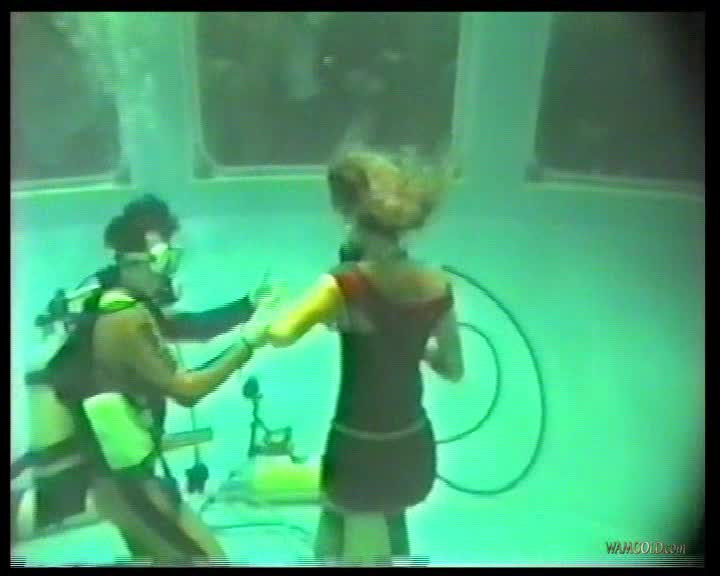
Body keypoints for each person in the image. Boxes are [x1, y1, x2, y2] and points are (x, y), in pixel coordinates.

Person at [13, 196, 280, 564]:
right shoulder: (124, 318)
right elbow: (187, 391)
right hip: (129, 487)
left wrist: (246, 305)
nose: (169, 275)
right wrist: (249, 343)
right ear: (133, 263)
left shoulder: (121, 302)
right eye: (165, 262)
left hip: (121, 480)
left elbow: (186, 326)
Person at [256, 150, 464, 565]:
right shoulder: (438, 283)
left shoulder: (345, 283)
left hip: (358, 449)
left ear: (351, 216)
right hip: (411, 445)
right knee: (379, 522)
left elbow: (281, 333)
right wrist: (409, 345)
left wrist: (267, 309)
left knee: (346, 529)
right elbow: (453, 369)